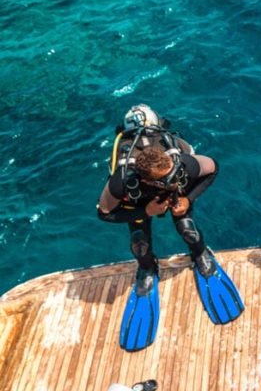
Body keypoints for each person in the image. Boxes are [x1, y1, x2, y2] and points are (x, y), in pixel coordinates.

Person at [97, 104, 243, 352]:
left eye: (174, 172)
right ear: (144, 180)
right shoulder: (123, 181)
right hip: (140, 204)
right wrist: (146, 211)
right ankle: (147, 270)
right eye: (167, 178)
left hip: (175, 199)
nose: (174, 178)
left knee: (189, 230)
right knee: (139, 244)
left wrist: (188, 198)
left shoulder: (181, 165)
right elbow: (104, 213)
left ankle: (200, 255)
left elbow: (213, 168)